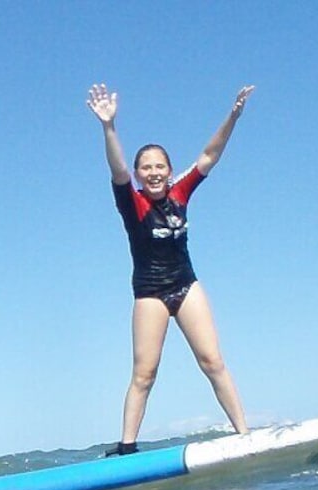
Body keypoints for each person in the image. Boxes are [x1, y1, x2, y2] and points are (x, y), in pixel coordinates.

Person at [87, 82, 254, 455]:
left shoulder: (181, 193)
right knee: (144, 374)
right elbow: (116, 169)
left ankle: (245, 435)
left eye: (160, 166)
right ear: (139, 174)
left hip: (186, 284)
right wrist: (108, 127)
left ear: (169, 169)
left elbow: (210, 155)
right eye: (146, 168)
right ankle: (127, 448)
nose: (154, 172)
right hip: (150, 293)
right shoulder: (133, 203)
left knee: (213, 361)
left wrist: (233, 117)